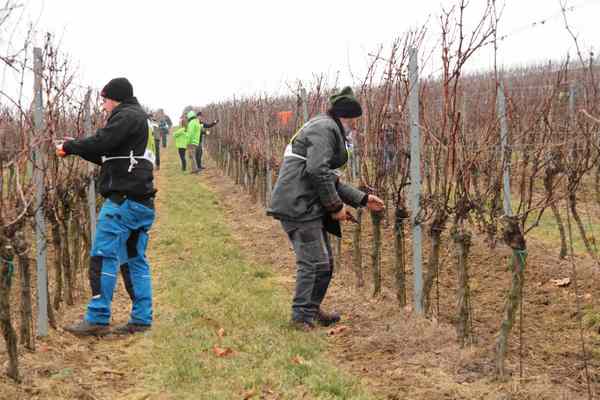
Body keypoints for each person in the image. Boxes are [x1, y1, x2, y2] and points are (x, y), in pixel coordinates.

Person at [267, 86, 385, 332]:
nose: (356, 125)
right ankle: (300, 318)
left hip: (306, 203)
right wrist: (335, 207)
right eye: (355, 119)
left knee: (325, 263)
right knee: (314, 263)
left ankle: (311, 308)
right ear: (346, 116)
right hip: (297, 204)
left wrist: (362, 199)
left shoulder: (327, 127)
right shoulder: (325, 128)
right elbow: (316, 171)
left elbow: (329, 177)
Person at [58, 77, 157, 336]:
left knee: (103, 257)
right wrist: (76, 149)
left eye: (104, 101)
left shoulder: (125, 115)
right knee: (134, 259)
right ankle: (142, 319)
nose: (103, 106)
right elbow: (108, 154)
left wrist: (69, 146)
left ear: (114, 98)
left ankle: (98, 318)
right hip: (141, 201)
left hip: (122, 202)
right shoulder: (139, 119)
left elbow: (103, 142)